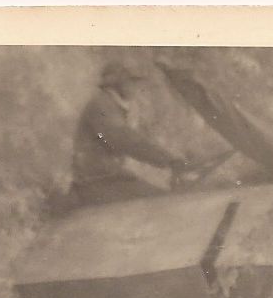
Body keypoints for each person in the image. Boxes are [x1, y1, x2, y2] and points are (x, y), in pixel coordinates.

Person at [69, 59, 192, 206]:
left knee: (165, 199)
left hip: (109, 179)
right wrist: (169, 160)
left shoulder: (111, 105)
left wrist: (170, 160)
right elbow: (124, 139)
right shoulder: (102, 105)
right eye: (131, 82)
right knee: (165, 203)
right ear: (119, 83)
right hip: (99, 183)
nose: (135, 87)